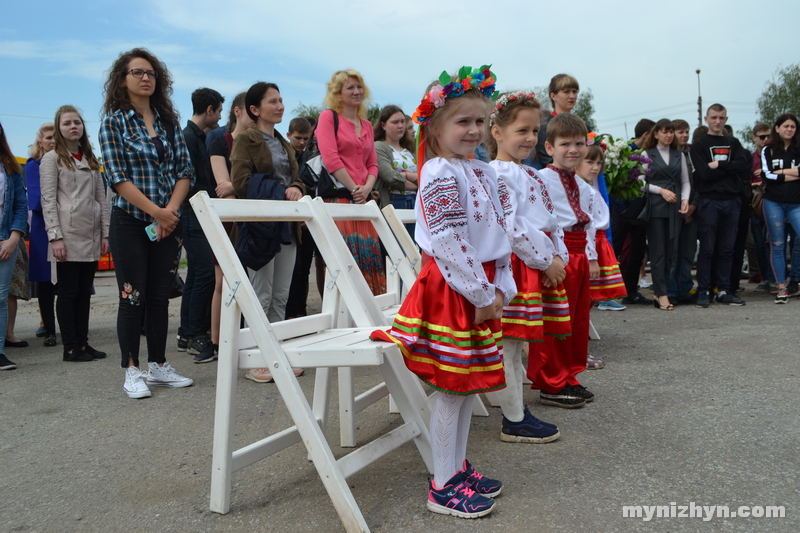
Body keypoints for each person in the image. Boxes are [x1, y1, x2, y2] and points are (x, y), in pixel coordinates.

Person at [372, 66, 513, 518]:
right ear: (434, 127)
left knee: (466, 386)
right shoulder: (437, 172)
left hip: (480, 285)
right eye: (462, 121)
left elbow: (497, 231)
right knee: (453, 388)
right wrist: (480, 292)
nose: (473, 130)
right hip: (455, 287)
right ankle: (442, 484)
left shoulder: (482, 170)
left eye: (479, 121)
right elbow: (450, 241)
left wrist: (502, 285)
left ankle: (455, 468)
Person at [99, 48, 194, 398]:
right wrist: (157, 212)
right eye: (137, 72)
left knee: (159, 297)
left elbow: (185, 171)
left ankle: (158, 365)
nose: (145, 78)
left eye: (151, 73)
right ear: (122, 80)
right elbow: (117, 176)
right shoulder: (113, 122)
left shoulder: (169, 124)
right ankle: (131, 369)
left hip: (168, 221)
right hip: (130, 221)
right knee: (132, 296)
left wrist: (170, 211)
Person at [487, 90, 563, 444]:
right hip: (516, 263)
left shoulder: (529, 173)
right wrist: (546, 260)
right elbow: (513, 227)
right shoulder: (497, 174)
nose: (531, 138)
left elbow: (550, 219)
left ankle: (515, 409)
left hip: (532, 262)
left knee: (516, 343)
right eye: (522, 131)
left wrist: (556, 253)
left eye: (535, 131)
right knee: (509, 342)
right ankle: (513, 417)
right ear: (497, 131)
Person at [230, 82, 306, 381]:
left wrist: (297, 190)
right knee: (259, 295)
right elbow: (240, 181)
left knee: (280, 296)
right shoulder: (247, 139)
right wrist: (281, 190)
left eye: (281, 100)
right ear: (254, 109)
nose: (280, 106)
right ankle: (254, 360)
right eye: (272, 101)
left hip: (287, 226)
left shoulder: (284, 143)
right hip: (262, 227)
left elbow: (297, 179)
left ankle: (277, 356)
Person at [528, 113, 598, 408]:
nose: (573, 149)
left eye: (579, 143)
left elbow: (590, 223)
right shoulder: (540, 179)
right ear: (549, 146)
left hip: (580, 254)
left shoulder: (582, 185)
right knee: (556, 321)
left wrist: (592, 258)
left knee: (579, 319)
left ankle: (570, 375)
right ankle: (550, 381)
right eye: (565, 143)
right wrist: (548, 259)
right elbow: (539, 222)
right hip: (559, 254)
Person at [39, 105, 110, 362]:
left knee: (83, 292)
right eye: (67, 123)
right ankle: (70, 347)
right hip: (66, 237)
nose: (73, 126)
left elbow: (102, 199)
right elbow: (48, 200)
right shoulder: (51, 159)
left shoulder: (91, 160)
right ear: (59, 128)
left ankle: (83, 343)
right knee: (68, 293)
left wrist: (105, 234)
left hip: (91, 237)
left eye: (77, 122)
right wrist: (55, 236)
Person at [316, 69, 385, 295]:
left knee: (369, 259)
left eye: (359, 87)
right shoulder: (328, 117)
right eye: (350, 88)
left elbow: (373, 163)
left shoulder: (366, 125)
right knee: (343, 261)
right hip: (339, 200)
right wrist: (355, 187)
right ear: (338, 93)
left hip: (362, 202)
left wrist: (366, 188)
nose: (357, 92)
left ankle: (370, 316)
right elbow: (331, 158)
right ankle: (342, 319)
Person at [177, 88, 224, 357]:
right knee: (204, 272)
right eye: (218, 111)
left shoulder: (195, 136)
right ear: (209, 110)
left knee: (196, 273)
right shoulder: (188, 138)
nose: (219, 117)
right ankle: (195, 334)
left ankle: (187, 332)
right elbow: (190, 180)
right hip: (194, 212)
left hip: (196, 212)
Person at [690, 104, 749, 307]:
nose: (718, 122)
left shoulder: (734, 142)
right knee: (707, 249)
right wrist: (729, 169)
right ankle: (704, 290)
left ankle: (724, 290)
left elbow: (744, 166)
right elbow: (703, 174)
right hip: (709, 202)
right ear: (706, 119)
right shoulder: (699, 146)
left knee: (727, 249)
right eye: (714, 117)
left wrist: (720, 165)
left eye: (722, 118)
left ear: (726, 119)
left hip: (732, 201)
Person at [576, 139, 626, 368]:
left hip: (598, 244)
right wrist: (593, 258)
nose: (595, 167)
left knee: (588, 303)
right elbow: (586, 227)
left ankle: (580, 351)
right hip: (590, 247)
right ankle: (577, 353)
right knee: (581, 303)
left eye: (598, 162)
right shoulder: (579, 188)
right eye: (589, 161)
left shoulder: (590, 186)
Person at [640, 119, 691, 310]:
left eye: (671, 132)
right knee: (658, 252)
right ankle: (662, 294)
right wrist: (660, 191)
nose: (668, 135)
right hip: (656, 208)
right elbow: (639, 182)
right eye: (664, 132)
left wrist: (685, 199)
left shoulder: (679, 155)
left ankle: (660, 292)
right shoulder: (647, 154)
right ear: (656, 134)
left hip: (675, 208)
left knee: (671, 251)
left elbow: (685, 181)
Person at [612, 119, 655, 306]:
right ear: (646, 135)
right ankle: (606, 292)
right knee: (614, 251)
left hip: (641, 208)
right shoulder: (622, 151)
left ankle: (631, 291)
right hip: (622, 209)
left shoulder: (649, 154)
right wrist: (621, 207)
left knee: (637, 251)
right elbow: (613, 181)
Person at [760, 114, 800, 303]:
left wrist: (781, 172)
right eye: (786, 126)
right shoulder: (768, 149)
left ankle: (796, 280)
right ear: (777, 128)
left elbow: (774, 174)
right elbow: (767, 175)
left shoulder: (798, 149)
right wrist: (793, 174)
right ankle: (781, 287)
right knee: (778, 245)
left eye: (793, 126)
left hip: (796, 203)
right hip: (773, 202)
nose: (789, 129)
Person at [0, 122, 30, 370]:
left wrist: (13, 237)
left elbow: (21, 206)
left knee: (1, 297)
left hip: (5, 241)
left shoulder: (10, 168)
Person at [26, 123, 58, 347]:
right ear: (40, 142)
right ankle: (49, 329)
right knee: (46, 282)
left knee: (68, 281)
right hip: (42, 229)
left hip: (69, 225)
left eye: (56, 136)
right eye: (48, 137)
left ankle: (72, 328)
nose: (53, 140)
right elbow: (36, 200)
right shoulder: (32, 165)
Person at [285, 117, 319, 321]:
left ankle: (299, 311)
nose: (301, 142)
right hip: (288, 220)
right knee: (290, 270)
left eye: (306, 138)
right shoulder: (284, 155)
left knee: (303, 270)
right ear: (289, 135)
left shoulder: (310, 158)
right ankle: (289, 313)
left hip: (306, 220)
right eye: (298, 138)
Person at [666, 119, 699, 305]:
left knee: (688, 252)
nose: (684, 135)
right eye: (680, 132)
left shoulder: (692, 153)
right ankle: (671, 290)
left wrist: (693, 206)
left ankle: (685, 288)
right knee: (672, 253)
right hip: (671, 209)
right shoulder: (666, 155)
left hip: (691, 210)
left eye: (687, 132)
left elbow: (699, 182)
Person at [530, 74, 579, 169]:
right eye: (566, 92)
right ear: (553, 96)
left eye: (575, 91)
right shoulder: (544, 126)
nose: (572, 96)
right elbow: (547, 162)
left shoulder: (583, 126)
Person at [374, 105, 418, 210]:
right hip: (394, 201)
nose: (400, 126)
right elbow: (390, 176)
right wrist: (415, 186)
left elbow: (424, 176)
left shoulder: (410, 150)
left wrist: (406, 174)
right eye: (395, 122)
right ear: (383, 125)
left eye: (402, 122)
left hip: (416, 201)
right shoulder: (378, 147)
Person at [749, 123, 773, 293]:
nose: (765, 140)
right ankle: (765, 277)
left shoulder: (775, 155)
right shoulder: (750, 158)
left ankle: (774, 278)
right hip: (756, 203)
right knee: (759, 242)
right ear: (754, 138)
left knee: (775, 242)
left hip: (775, 201)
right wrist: (756, 182)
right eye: (762, 137)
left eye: (768, 136)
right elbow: (743, 181)